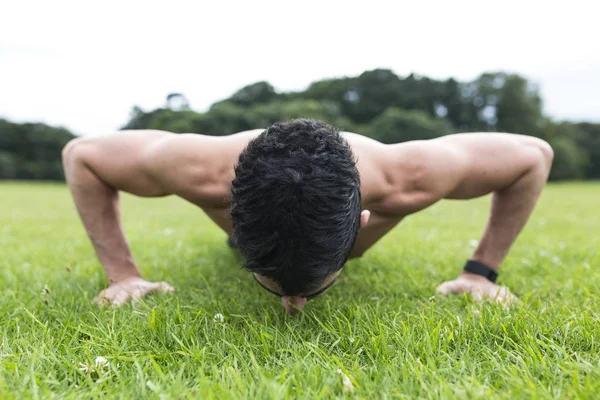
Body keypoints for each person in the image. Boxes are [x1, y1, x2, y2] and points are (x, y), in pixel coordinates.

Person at [62, 119, 554, 314]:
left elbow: (533, 155)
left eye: (314, 289)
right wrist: (122, 275)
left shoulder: (415, 177)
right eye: (272, 285)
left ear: (362, 223)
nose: (293, 307)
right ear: (230, 211)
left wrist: (480, 273)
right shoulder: (195, 168)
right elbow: (82, 155)